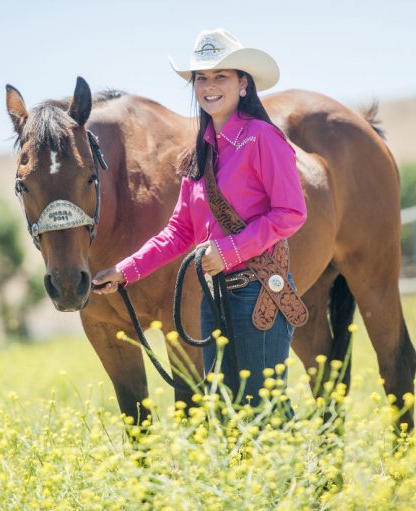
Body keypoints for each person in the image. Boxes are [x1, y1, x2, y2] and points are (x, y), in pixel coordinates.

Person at [92, 28, 307, 409]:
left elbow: (291, 213)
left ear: (243, 84)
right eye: (201, 78)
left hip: (259, 290)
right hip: (213, 296)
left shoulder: (263, 139)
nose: (209, 86)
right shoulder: (199, 153)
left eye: (220, 76)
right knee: (225, 410)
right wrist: (125, 270)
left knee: (264, 410)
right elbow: (179, 232)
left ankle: (298, 471)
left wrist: (230, 250)